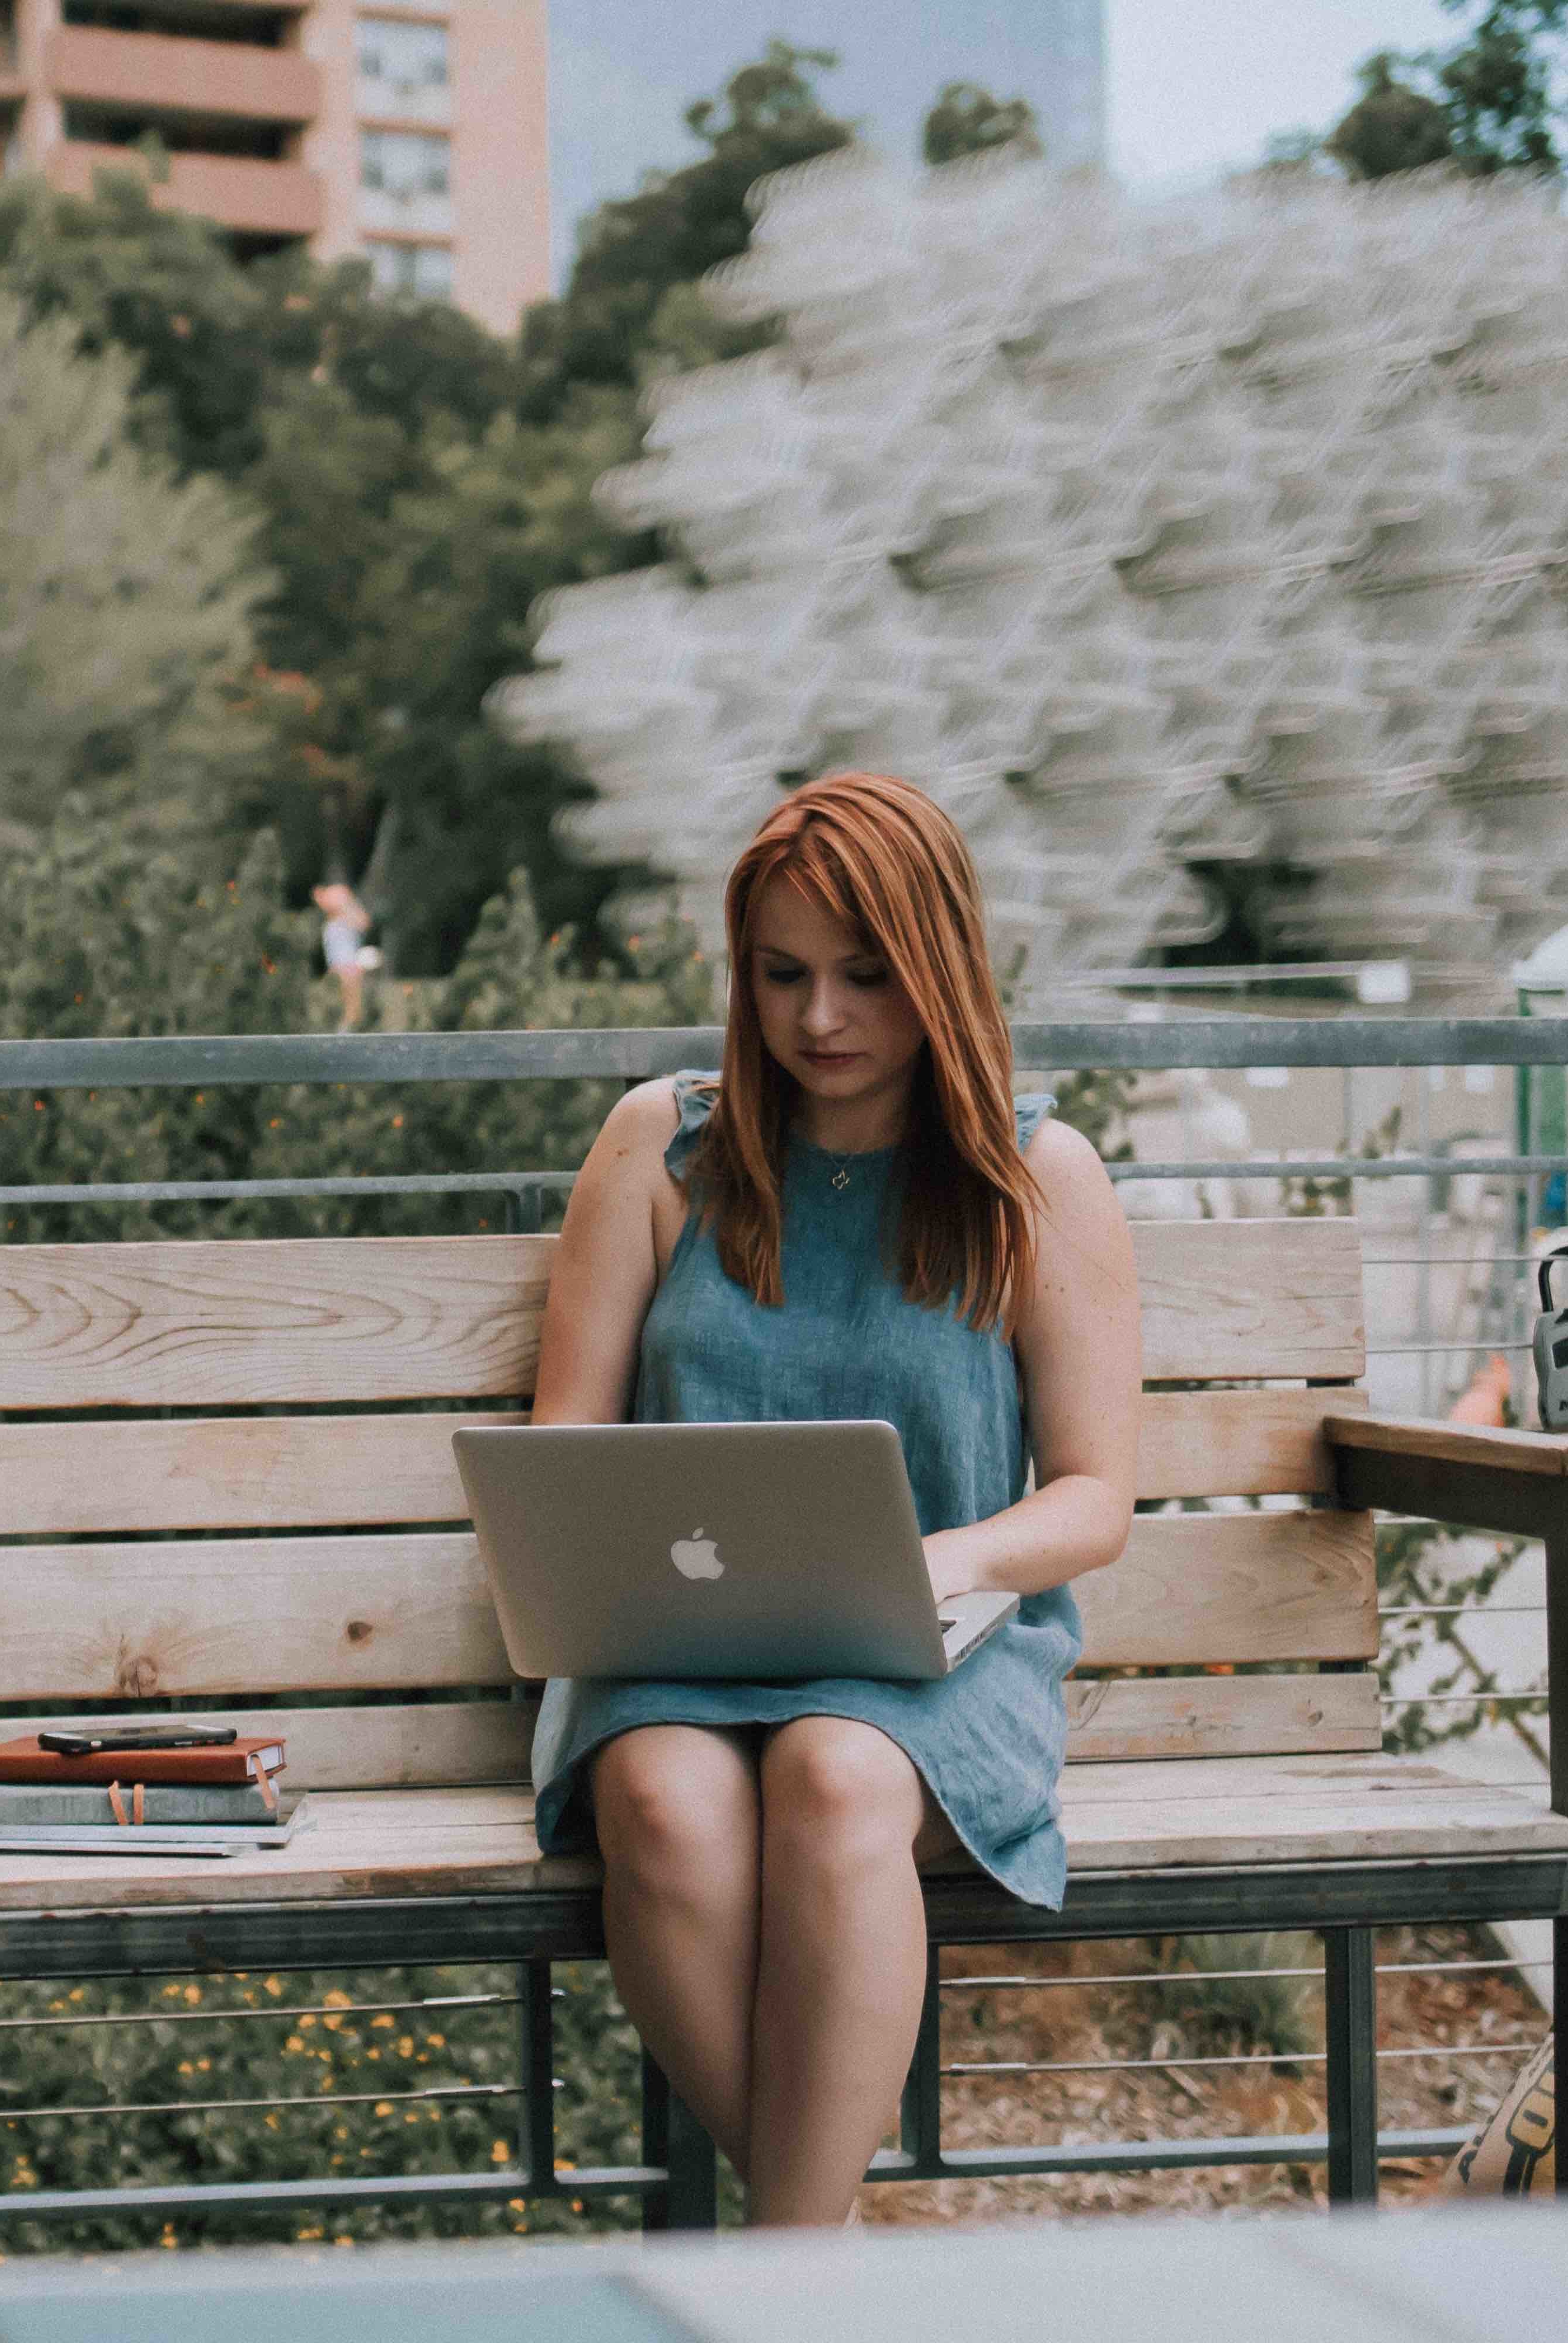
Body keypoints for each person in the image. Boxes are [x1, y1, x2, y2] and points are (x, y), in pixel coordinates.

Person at [526, 772, 1140, 2226]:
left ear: (942, 964)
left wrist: (932, 1558)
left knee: (834, 1769)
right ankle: (821, 2270)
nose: (819, 1021)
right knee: (663, 1807)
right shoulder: (657, 1151)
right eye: (782, 975)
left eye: (866, 976)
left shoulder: (1036, 1180)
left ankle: (783, 2282)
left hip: (930, 1657)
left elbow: (1096, 1495)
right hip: (668, 1656)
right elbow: (562, 1451)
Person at [315, 882, 382, 1032]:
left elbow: (363, 923)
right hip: (337, 969)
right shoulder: (332, 922)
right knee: (338, 1004)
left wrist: (346, 906)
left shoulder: (350, 918)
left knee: (351, 1006)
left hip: (349, 967)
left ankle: (348, 1029)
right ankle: (344, 1028)